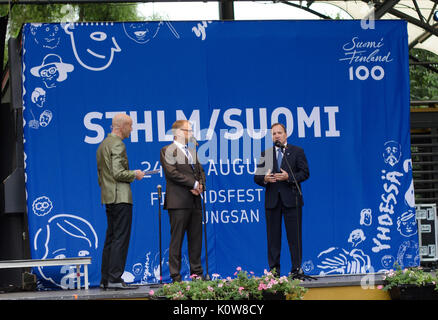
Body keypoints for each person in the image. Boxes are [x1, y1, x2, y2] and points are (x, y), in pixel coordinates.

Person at [254, 123, 310, 278]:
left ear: (286, 134)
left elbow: (305, 173)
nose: (276, 136)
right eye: (273, 134)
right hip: (272, 202)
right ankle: (274, 272)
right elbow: (256, 178)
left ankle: (296, 269)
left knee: (294, 237)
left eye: (279, 133)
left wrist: (289, 177)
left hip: (292, 200)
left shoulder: (297, 151)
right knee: (273, 238)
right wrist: (264, 178)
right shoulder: (266, 154)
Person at [96, 113, 145, 290]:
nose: (131, 129)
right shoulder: (118, 144)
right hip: (120, 197)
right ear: (122, 126)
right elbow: (118, 173)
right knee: (120, 238)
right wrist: (135, 174)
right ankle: (115, 278)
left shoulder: (103, 145)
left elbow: (102, 175)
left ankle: (105, 278)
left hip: (109, 197)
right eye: (130, 126)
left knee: (111, 238)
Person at [160, 120, 206, 283]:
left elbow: (200, 171)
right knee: (177, 239)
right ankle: (175, 275)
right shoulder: (167, 150)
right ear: (178, 132)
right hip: (178, 202)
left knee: (196, 239)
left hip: (194, 201)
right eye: (188, 130)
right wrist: (192, 184)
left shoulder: (191, 151)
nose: (191, 133)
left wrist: (200, 185)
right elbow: (172, 173)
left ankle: (197, 274)